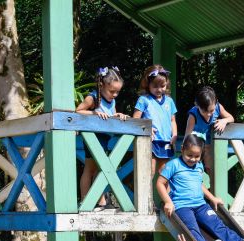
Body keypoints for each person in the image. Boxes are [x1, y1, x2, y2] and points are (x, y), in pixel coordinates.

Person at [157, 134, 244, 241]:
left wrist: (212, 198)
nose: (193, 159)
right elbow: (160, 183)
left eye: (197, 156)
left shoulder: (199, 166)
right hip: (182, 206)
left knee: (216, 223)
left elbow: (199, 184)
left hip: (200, 205)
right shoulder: (174, 165)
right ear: (182, 149)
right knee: (191, 225)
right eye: (189, 155)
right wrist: (168, 202)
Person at [75, 66, 128, 208]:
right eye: (112, 91)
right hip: (93, 137)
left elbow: (111, 114)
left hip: (105, 138)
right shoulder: (92, 98)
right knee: (90, 169)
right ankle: (86, 200)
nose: (115, 94)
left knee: (100, 169)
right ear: (101, 85)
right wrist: (94, 113)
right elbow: (78, 111)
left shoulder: (113, 101)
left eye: (117, 91)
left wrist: (118, 115)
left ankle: (100, 200)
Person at [133, 65, 177, 178]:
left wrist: (175, 134)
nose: (159, 89)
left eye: (162, 86)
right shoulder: (143, 99)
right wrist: (146, 127)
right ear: (148, 84)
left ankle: (166, 196)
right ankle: (146, 196)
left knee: (165, 174)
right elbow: (135, 119)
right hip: (150, 140)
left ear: (166, 83)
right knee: (149, 171)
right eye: (155, 86)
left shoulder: (169, 101)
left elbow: (172, 120)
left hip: (166, 140)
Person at [184, 86, 235, 176]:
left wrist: (224, 121)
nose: (208, 114)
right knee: (194, 170)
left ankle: (212, 189)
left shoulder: (218, 107)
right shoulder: (193, 115)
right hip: (196, 144)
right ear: (197, 105)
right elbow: (187, 135)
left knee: (210, 168)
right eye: (204, 111)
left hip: (209, 143)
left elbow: (231, 118)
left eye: (211, 111)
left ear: (216, 103)